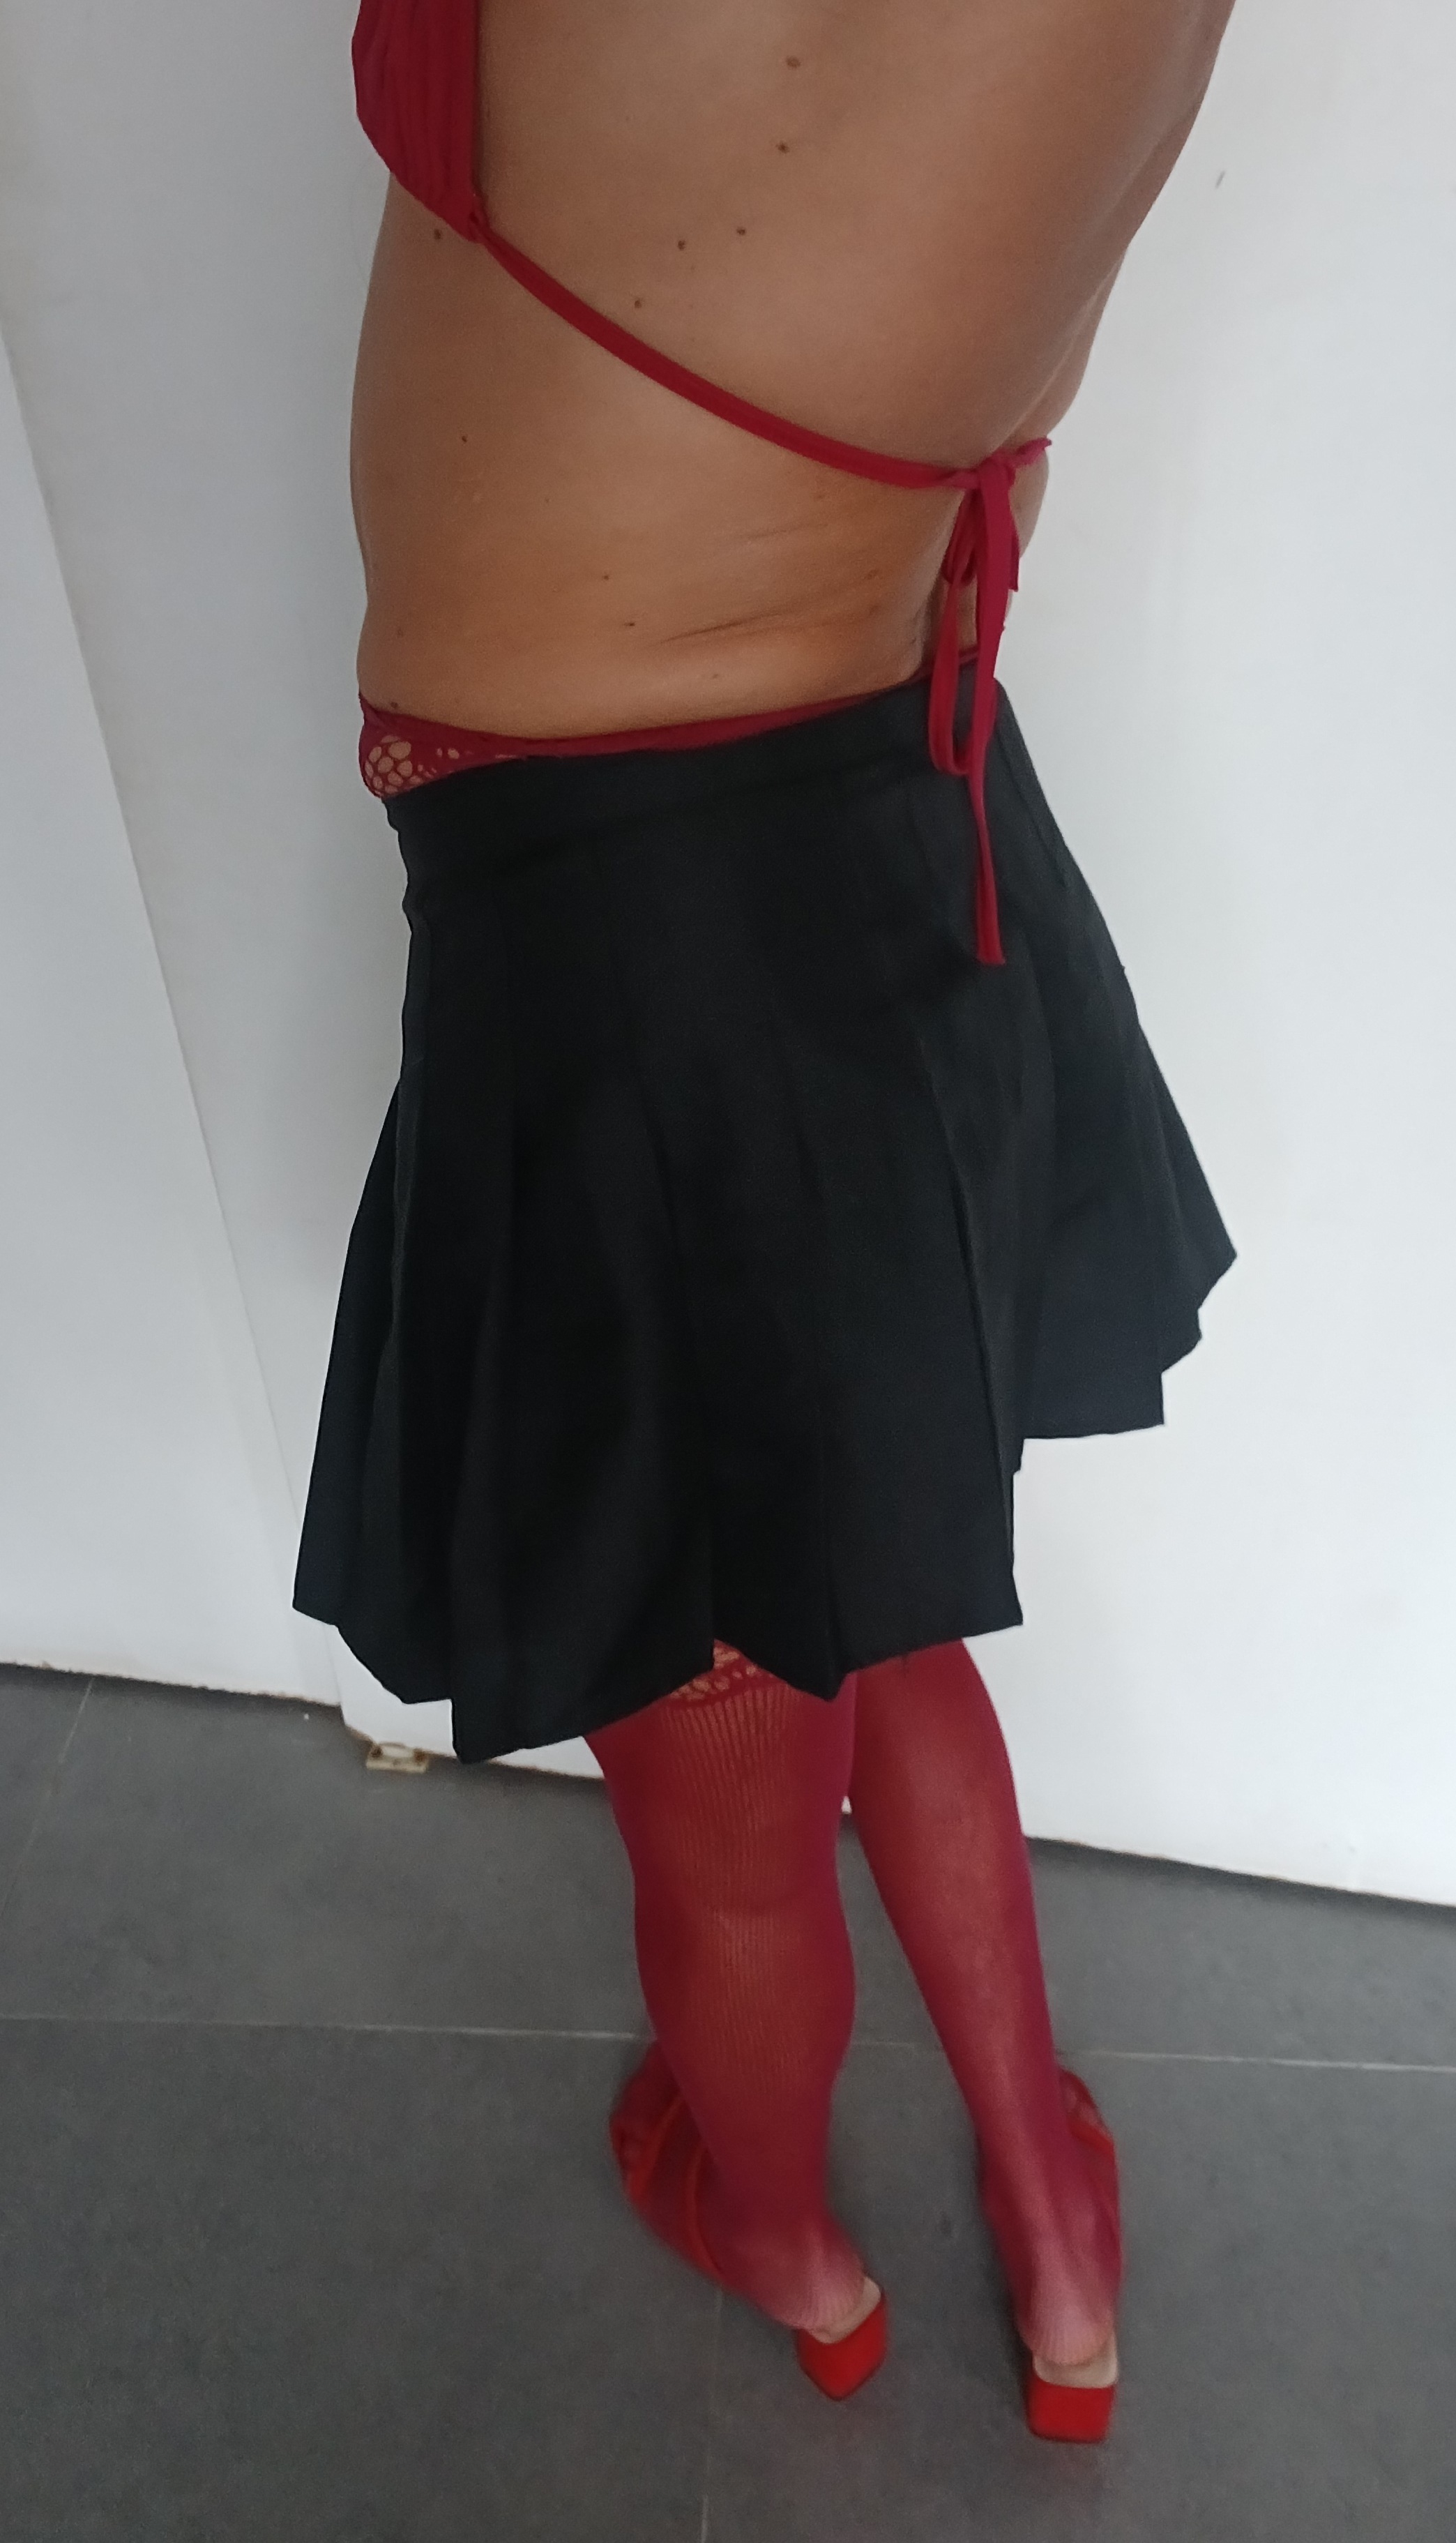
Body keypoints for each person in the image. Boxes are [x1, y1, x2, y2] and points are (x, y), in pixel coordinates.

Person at [295, 0, 1238, 2439]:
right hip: (905, 820)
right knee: (881, 1613)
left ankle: (793, 2247)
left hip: (646, 975)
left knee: (724, 1829)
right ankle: (1057, 2243)